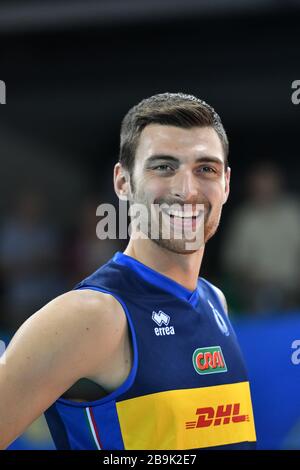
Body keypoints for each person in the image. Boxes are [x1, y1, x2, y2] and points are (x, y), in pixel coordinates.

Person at [0, 92, 256, 450]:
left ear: (226, 183)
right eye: (163, 166)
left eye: (205, 169)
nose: (187, 189)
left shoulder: (215, 300)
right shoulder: (91, 315)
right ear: (123, 182)